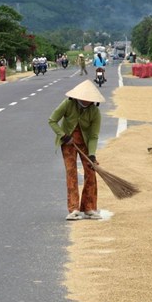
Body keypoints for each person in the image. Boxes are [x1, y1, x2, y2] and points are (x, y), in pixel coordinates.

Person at [48, 80, 106, 220]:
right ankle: (73, 209)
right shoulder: (68, 104)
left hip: (85, 144)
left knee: (91, 172)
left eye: (89, 100)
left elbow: (93, 135)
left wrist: (92, 155)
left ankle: (89, 208)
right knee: (71, 173)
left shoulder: (94, 112)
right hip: (68, 143)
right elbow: (52, 120)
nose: (86, 101)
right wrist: (64, 136)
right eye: (84, 98)